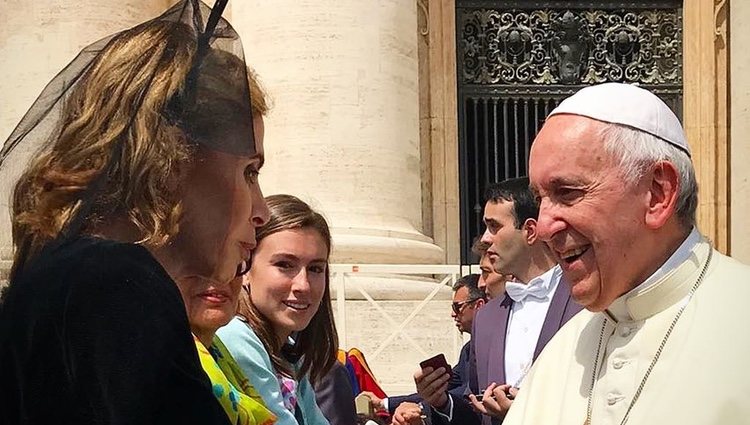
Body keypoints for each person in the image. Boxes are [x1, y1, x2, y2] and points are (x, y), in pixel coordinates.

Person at [0, 2, 268, 424]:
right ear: (176, 160)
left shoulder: (72, 271)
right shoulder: (115, 285)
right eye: (249, 171)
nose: (263, 211)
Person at [504, 82, 750, 425]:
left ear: (657, 193)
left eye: (567, 192)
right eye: (540, 198)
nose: (543, 228)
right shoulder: (563, 350)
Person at [415, 177, 581, 425]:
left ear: (530, 231)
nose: (484, 239)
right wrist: (442, 403)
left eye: (494, 227)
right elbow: (476, 409)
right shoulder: (486, 318)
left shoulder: (585, 301)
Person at [218, 194, 338, 425]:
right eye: (284, 265)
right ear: (245, 268)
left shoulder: (287, 350)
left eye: (315, 268)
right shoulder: (236, 337)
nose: (303, 285)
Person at [364, 274, 486, 416]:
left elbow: (464, 395)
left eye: (457, 307)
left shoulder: (494, 349)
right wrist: (384, 404)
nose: (452, 314)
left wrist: (421, 407)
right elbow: (442, 390)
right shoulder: (468, 349)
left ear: (479, 306)